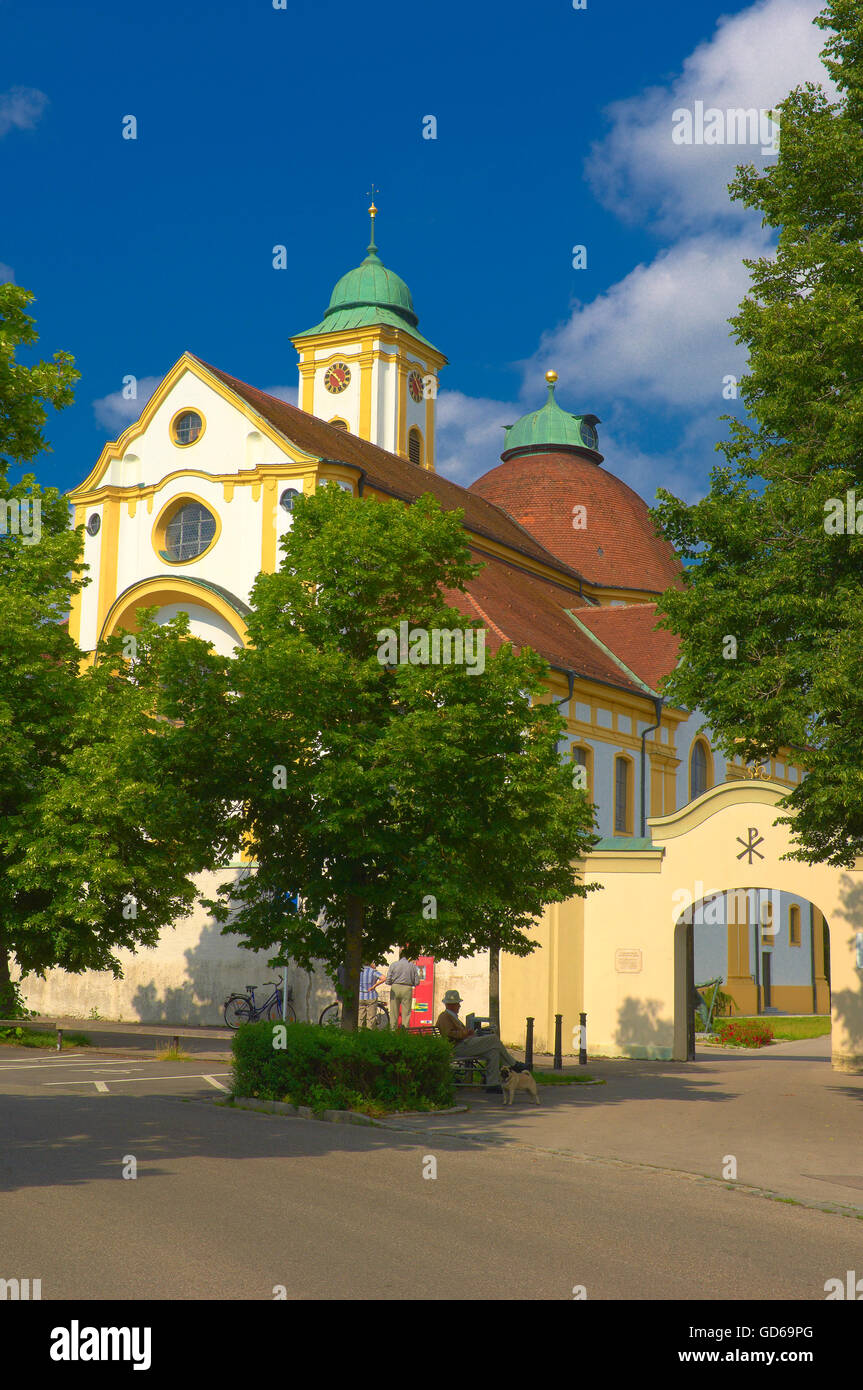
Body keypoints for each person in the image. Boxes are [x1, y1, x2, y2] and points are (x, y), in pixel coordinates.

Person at [436, 989, 526, 1093]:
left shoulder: (451, 1016)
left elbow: (455, 1033)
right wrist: (465, 1033)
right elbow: (449, 1034)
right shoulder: (444, 1017)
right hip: (457, 1047)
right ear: (451, 1004)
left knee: (493, 1051)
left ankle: (492, 1084)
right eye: (457, 1004)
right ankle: (513, 1064)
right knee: (493, 1039)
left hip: (464, 1044)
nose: (459, 1006)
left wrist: (469, 1033)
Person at [387, 949, 420, 1030]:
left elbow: (388, 980)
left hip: (395, 987)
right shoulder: (412, 966)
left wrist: (393, 982)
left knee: (394, 1012)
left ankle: (392, 1031)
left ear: (399, 956)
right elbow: (417, 982)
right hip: (407, 988)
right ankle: (405, 1031)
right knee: (406, 1012)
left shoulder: (394, 964)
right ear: (408, 957)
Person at [359, 962, 387, 1028]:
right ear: (370, 963)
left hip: (360, 996)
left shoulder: (359, 970)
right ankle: (369, 1033)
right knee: (371, 1018)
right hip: (371, 996)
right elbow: (384, 978)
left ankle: (359, 1032)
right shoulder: (373, 971)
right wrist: (374, 986)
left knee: (360, 1017)